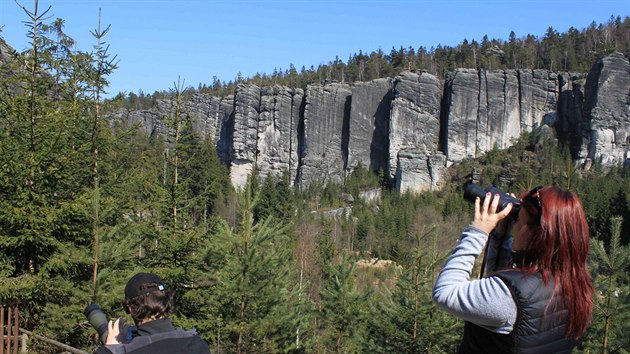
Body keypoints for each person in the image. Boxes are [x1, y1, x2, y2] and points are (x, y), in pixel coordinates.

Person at [432, 186, 594, 353]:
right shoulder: (575, 283)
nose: (515, 225)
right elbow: (507, 286)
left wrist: (477, 231)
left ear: (536, 234)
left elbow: (445, 292)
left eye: (518, 220)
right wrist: (500, 235)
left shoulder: (511, 296)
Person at [95, 272, 210, 354]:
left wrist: (110, 348)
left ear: (131, 309)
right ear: (166, 302)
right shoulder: (197, 344)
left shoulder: (127, 350)